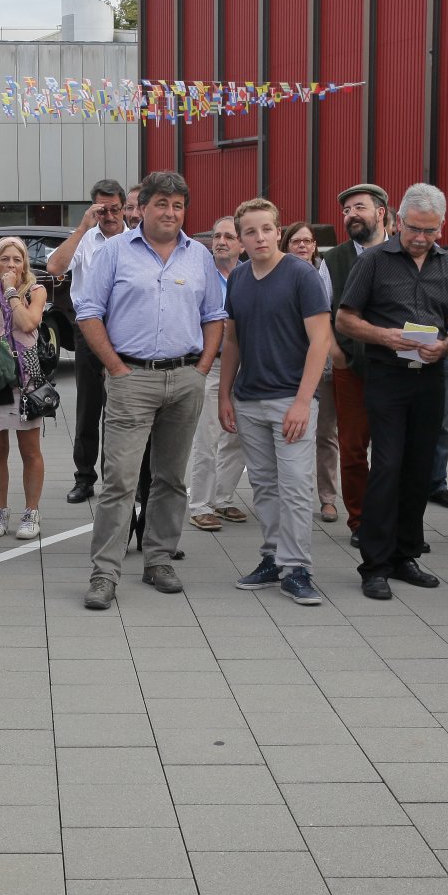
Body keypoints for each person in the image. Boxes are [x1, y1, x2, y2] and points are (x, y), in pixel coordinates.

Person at [74, 170, 227, 610]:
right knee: (120, 481)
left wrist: (201, 369)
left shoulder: (198, 256)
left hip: (185, 378)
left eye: (178, 206)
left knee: (171, 479)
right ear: (142, 208)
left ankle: (158, 560)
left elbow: (214, 315)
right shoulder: (115, 251)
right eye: (162, 204)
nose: (170, 213)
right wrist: (116, 369)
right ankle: (104, 574)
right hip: (131, 379)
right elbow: (88, 312)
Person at [338, 183, 448, 601]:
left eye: (430, 230)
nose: (420, 237)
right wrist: (384, 336)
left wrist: (447, 344)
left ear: (441, 227)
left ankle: (405, 555)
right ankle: (374, 564)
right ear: (397, 221)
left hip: (430, 375)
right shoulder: (374, 260)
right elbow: (344, 318)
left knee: (418, 469)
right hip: (386, 375)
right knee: (388, 466)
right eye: (413, 228)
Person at [220, 200, 332, 604]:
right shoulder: (239, 277)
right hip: (249, 399)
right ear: (241, 239)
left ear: (278, 232)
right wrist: (225, 395)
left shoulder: (301, 274)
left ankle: (297, 568)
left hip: (290, 400)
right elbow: (232, 340)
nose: (260, 237)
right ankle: (273, 558)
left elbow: (321, 340)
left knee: (296, 485)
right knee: (264, 485)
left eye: (267, 229)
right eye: (250, 232)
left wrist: (303, 402)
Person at [46, 178, 129, 504]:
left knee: (123, 409)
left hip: (126, 330)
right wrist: (82, 228)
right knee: (88, 406)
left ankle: (118, 477)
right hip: (89, 328)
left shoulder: (136, 240)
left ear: (124, 208)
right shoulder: (84, 239)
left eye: (115, 209)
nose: (109, 216)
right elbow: (54, 267)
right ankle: (84, 477)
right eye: (102, 210)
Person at [0, 236, 48, 539]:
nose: (11, 264)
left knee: (30, 450)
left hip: (26, 380)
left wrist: (13, 292)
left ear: (24, 263)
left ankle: (31, 512)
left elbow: (28, 324)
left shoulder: (35, 291)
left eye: (17, 259)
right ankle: (0, 511)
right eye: (5, 259)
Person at [325, 183, 389, 545]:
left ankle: (393, 521)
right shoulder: (333, 260)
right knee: (351, 449)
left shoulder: (404, 252)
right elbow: (319, 313)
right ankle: (360, 521)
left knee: (394, 449)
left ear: (380, 212)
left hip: (396, 369)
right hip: (350, 368)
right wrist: (336, 353)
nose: (351, 215)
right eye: (347, 210)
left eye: (359, 208)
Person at [185, 215, 249, 531]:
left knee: (238, 435)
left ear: (242, 244)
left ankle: (222, 498)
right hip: (213, 363)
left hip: (246, 365)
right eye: (217, 236)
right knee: (208, 434)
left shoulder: (250, 276)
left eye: (228, 237)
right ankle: (200, 504)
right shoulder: (200, 275)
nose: (220, 242)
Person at [282, 220, 344, 522]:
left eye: (307, 241)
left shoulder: (324, 275)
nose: (303, 246)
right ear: (286, 245)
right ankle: (293, 496)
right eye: (296, 241)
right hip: (290, 369)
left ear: (315, 246)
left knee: (326, 435)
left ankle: (328, 498)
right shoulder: (278, 275)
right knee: (290, 434)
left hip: (324, 368)